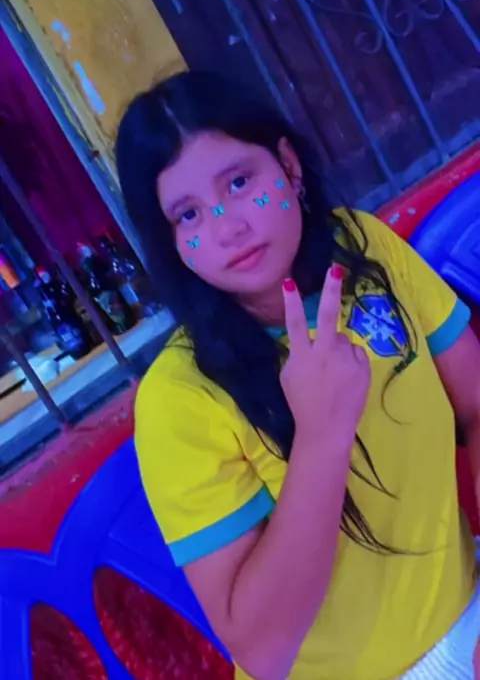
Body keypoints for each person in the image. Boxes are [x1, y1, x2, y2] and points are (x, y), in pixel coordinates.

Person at [115, 71, 480, 680]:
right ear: (171, 243)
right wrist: (321, 435)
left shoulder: (363, 250)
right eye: (188, 214)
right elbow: (264, 652)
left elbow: (476, 403)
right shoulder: (180, 400)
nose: (227, 227)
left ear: (287, 165)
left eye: (239, 182)